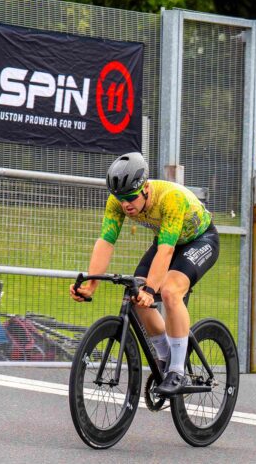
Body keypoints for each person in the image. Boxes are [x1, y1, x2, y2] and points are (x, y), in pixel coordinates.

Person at [69, 152, 219, 396]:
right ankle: (165, 358)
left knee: (169, 291)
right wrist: (91, 284)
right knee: (135, 293)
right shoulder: (117, 203)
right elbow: (106, 242)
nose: (126, 204)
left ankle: (177, 371)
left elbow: (167, 249)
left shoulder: (170, 199)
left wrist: (152, 290)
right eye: (120, 198)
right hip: (167, 241)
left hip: (200, 240)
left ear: (146, 188)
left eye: (130, 197)